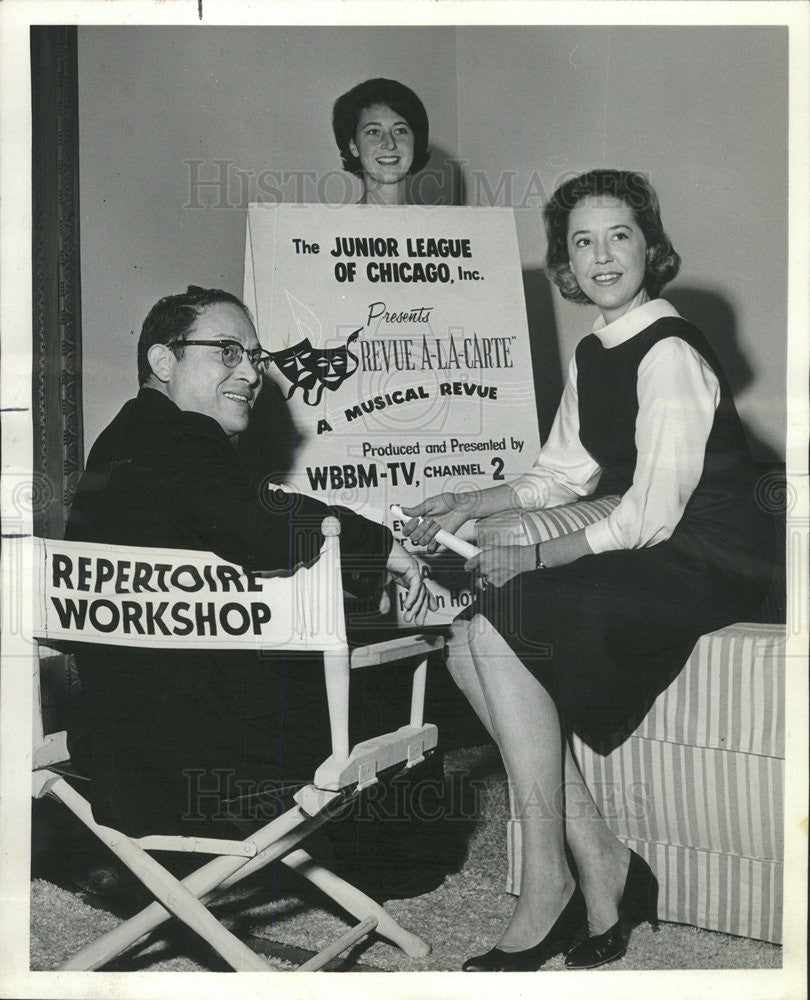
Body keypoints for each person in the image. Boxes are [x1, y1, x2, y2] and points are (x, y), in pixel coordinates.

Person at [402, 170, 774, 971]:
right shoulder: (594, 348)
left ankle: (548, 887)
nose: (602, 256)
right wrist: (470, 499)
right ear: (565, 259)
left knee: (510, 616)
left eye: (619, 236)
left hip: (711, 556)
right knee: (467, 636)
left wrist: (532, 554)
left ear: (651, 245)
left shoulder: (669, 350)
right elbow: (562, 475)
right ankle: (599, 857)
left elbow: (649, 515)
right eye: (582, 240)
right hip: (654, 546)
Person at [66, 285, 434, 849]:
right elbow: (261, 526)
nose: (252, 373)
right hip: (200, 758)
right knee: (393, 685)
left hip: (118, 745)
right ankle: (386, 862)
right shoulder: (182, 438)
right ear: (163, 360)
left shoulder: (122, 439)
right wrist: (379, 546)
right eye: (227, 351)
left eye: (256, 358)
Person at [332, 77, 430, 205]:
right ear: (354, 146)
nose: (389, 144)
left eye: (400, 131)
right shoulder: (334, 223)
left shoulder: (439, 223)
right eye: (374, 132)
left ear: (414, 141)